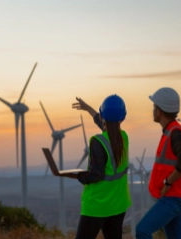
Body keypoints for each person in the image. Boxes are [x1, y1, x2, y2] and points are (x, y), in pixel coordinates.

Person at [64, 94, 131, 239]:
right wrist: (87, 108)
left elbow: (96, 175)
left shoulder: (98, 141)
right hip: (118, 204)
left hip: (97, 206)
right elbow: (107, 125)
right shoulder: (124, 138)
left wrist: (75, 175)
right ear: (123, 117)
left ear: (102, 116)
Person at [136, 87, 181, 239]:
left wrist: (168, 182)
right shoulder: (171, 131)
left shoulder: (175, 133)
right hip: (174, 196)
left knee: (142, 230)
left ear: (159, 111)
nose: (152, 109)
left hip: (175, 197)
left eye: (154, 106)